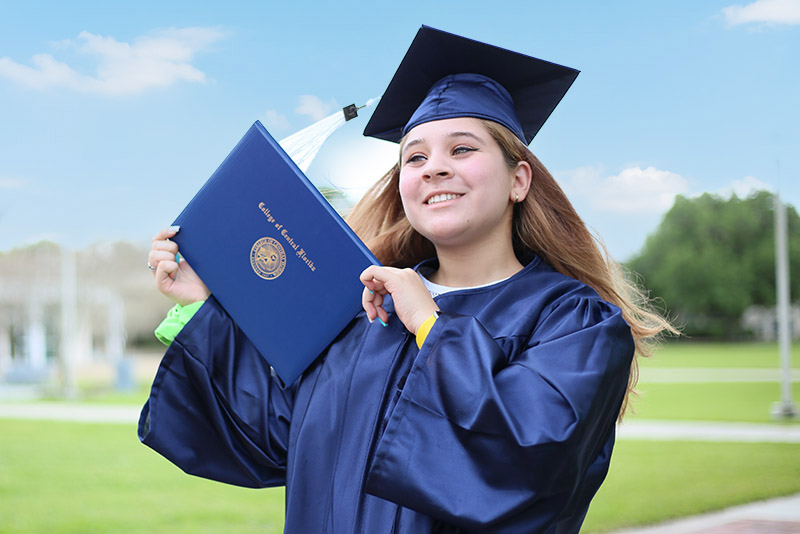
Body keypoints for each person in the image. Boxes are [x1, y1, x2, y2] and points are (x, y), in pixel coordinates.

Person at [141, 26, 675, 533]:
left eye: (461, 149)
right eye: (414, 157)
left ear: (519, 179)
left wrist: (429, 323)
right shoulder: (361, 315)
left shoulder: (571, 322)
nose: (433, 168)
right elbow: (274, 437)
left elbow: (530, 463)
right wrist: (202, 305)